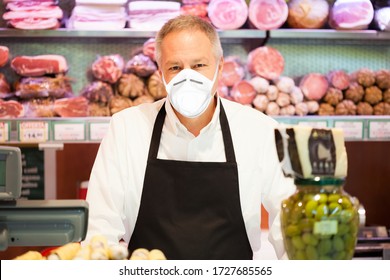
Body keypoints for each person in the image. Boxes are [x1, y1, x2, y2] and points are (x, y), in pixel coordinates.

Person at [84, 14, 295, 260]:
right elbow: (98, 232)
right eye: (175, 67)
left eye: (199, 65)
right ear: (161, 72)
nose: (188, 77)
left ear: (219, 66)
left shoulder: (260, 130)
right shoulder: (126, 129)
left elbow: (291, 223)